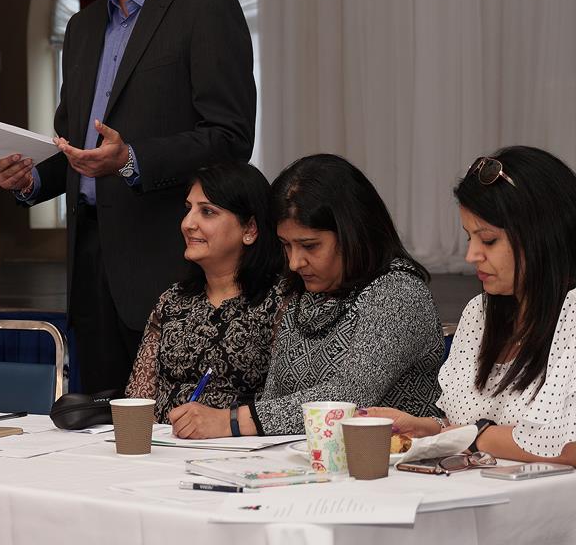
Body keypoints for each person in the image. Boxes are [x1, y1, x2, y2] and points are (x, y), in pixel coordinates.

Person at [0, 0, 256, 393]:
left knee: (172, 424)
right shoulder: (83, 29)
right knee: (98, 423)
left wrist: (132, 159)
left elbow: (231, 136)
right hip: (90, 263)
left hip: (168, 257)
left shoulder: (204, 8)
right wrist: (28, 179)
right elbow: (78, 149)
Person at [169, 154, 445, 437]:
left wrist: (232, 421)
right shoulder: (305, 294)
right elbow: (273, 396)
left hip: (388, 459)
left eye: (310, 246)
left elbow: (348, 397)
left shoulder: (398, 292)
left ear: (353, 232)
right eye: (286, 245)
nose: (294, 262)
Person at [366, 147, 576, 465]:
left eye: (488, 240)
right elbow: (463, 423)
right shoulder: (481, 312)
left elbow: (568, 446)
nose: (471, 255)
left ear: (542, 235)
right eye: (469, 238)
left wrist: (474, 435)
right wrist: (429, 429)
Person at [125, 162, 283, 423]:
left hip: (241, 444)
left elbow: (286, 404)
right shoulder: (173, 300)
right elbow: (137, 400)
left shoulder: (279, 301)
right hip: (165, 442)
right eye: (188, 209)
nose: (188, 223)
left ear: (249, 229)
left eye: (207, 212)